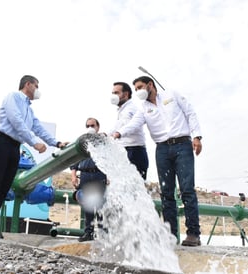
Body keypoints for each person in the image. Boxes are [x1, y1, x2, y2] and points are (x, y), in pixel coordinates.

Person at [112, 76, 203, 246]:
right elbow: (133, 124)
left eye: (140, 87)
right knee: (167, 193)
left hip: (183, 145)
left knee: (187, 190)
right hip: (162, 149)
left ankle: (193, 233)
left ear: (150, 85)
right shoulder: (143, 109)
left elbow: (190, 112)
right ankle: (170, 236)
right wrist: (117, 134)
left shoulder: (172, 95)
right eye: (136, 88)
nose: (138, 91)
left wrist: (196, 136)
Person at [0, 75, 67, 242]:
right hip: (2, 142)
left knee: (4, 188)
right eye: (36, 86)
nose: (37, 90)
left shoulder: (29, 108)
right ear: (28, 84)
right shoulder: (13, 97)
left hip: (15, 147)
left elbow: (38, 127)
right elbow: (16, 121)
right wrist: (34, 143)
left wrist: (56, 142)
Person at [70, 118, 107, 242]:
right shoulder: (81, 142)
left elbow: (110, 160)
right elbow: (75, 161)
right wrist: (73, 175)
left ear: (98, 127)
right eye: (87, 126)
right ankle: (88, 233)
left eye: (92, 125)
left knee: (101, 206)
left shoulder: (104, 142)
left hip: (99, 175)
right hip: (85, 175)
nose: (90, 128)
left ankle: (103, 234)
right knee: (88, 207)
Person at [109, 81, 148, 179]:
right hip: (126, 150)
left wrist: (115, 134)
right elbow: (117, 126)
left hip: (134, 151)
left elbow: (126, 125)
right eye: (113, 93)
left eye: (116, 93)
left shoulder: (131, 109)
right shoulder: (123, 110)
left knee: (135, 188)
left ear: (126, 94)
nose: (113, 96)